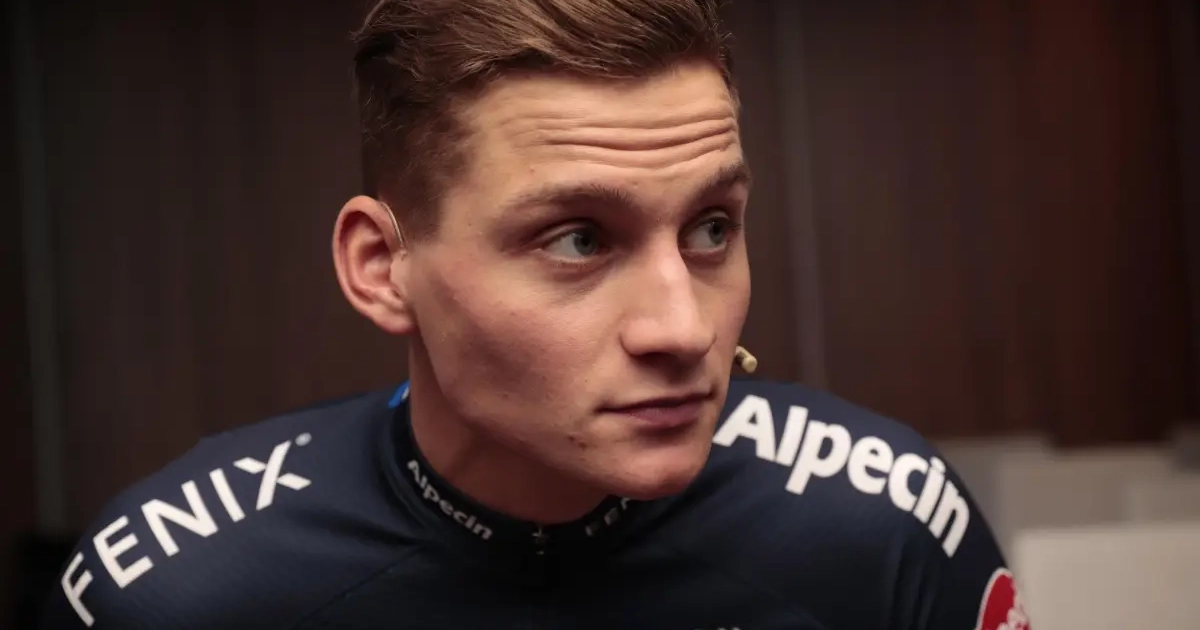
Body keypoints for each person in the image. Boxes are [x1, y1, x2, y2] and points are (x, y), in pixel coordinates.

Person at [39, 1, 1030, 628]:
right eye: (579, 241)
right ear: (383, 268)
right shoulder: (178, 588)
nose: (683, 329)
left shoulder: (881, 527)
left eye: (711, 227)